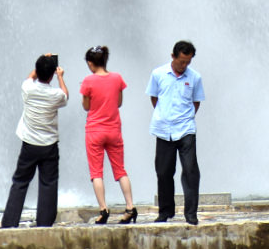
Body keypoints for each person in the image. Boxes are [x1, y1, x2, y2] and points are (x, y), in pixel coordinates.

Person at [2, 53, 68, 228]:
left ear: (37, 72)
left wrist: (41, 64)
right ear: (52, 74)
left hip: (29, 144)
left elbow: (31, 77)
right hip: (49, 145)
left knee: (20, 182)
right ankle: (45, 224)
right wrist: (60, 77)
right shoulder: (56, 95)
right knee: (48, 183)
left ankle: (9, 223)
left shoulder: (28, 88)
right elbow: (65, 95)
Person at [147, 40, 205, 225]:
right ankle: (165, 211)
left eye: (188, 62)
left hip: (186, 129)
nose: (184, 65)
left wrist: (185, 118)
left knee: (190, 170)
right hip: (164, 129)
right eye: (181, 61)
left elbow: (196, 102)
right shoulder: (158, 74)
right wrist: (164, 115)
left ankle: (191, 213)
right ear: (173, 56)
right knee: (164, 172)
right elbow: (154, 98)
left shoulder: (195, 77)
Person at [79, 45, 138, 224]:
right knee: (120, 170)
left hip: (95, 130)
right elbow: (119, 103)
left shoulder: (88, 81)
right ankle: (130, 207)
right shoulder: (117, 78)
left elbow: (86, 107)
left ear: (90, 63)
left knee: (97, 172)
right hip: (114, 130)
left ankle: (103, 210)